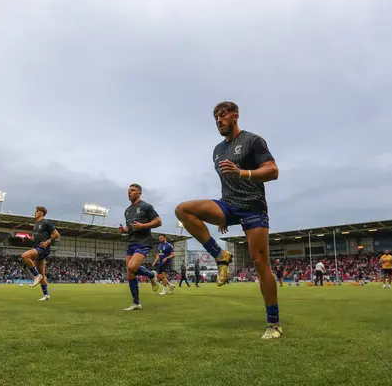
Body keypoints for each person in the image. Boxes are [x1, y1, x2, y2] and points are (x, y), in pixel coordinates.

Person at [175, 101, 282, 339]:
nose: (219, 120)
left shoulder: (253, 140)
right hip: (229, 205)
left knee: (260, 262)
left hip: (253, 207)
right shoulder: (217, 150)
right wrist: (221, 216)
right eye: (215, 117)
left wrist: (243, 172)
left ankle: (273, 323)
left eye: (223, 115)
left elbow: (273, 171)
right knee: (183, 210)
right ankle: (220, 256)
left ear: (235, 115)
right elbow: (226, 182)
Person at [119, 184, 161, 310]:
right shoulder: (127, 210)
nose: (129, 192)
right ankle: (136, 303)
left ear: (139, 193)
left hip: (144, 241)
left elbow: (158, 221)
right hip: (131, 242)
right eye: (128, 191)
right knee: (130, 273)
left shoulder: (146, 206)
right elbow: (130, 228)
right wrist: (124, 229)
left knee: (132, 267)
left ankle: (151, 275)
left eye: (132, 190)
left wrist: (143, 226)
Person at [21, 206, 60, 301]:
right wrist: (30, 239)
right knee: (42, 273)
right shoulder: (35, 225)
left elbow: (56, 234)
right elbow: (37, 238)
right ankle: (46, 295)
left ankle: (36, 275)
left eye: (36, 211)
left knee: (24, 256)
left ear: (41, 213)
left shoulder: (45, 222)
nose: (35, 213)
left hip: (43, 248)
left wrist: (47, 242)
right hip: (37, 247)